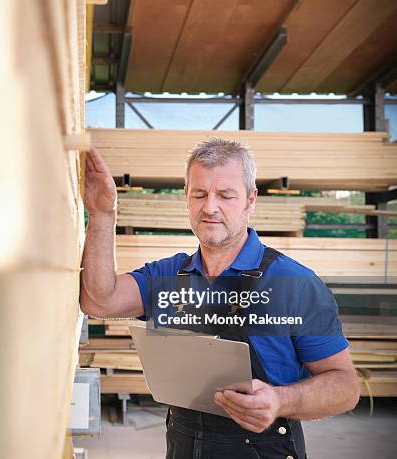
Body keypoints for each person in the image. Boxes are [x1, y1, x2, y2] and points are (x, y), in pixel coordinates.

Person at [79, 138, 360, 459]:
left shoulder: (294, 283)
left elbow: (346, 387)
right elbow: (99, 302)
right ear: (186, 197)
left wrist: (281, 400)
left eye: (226, 196)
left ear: (250, 201)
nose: (210, 207)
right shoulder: (169, 275)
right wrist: (102, 213)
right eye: (199, 194)